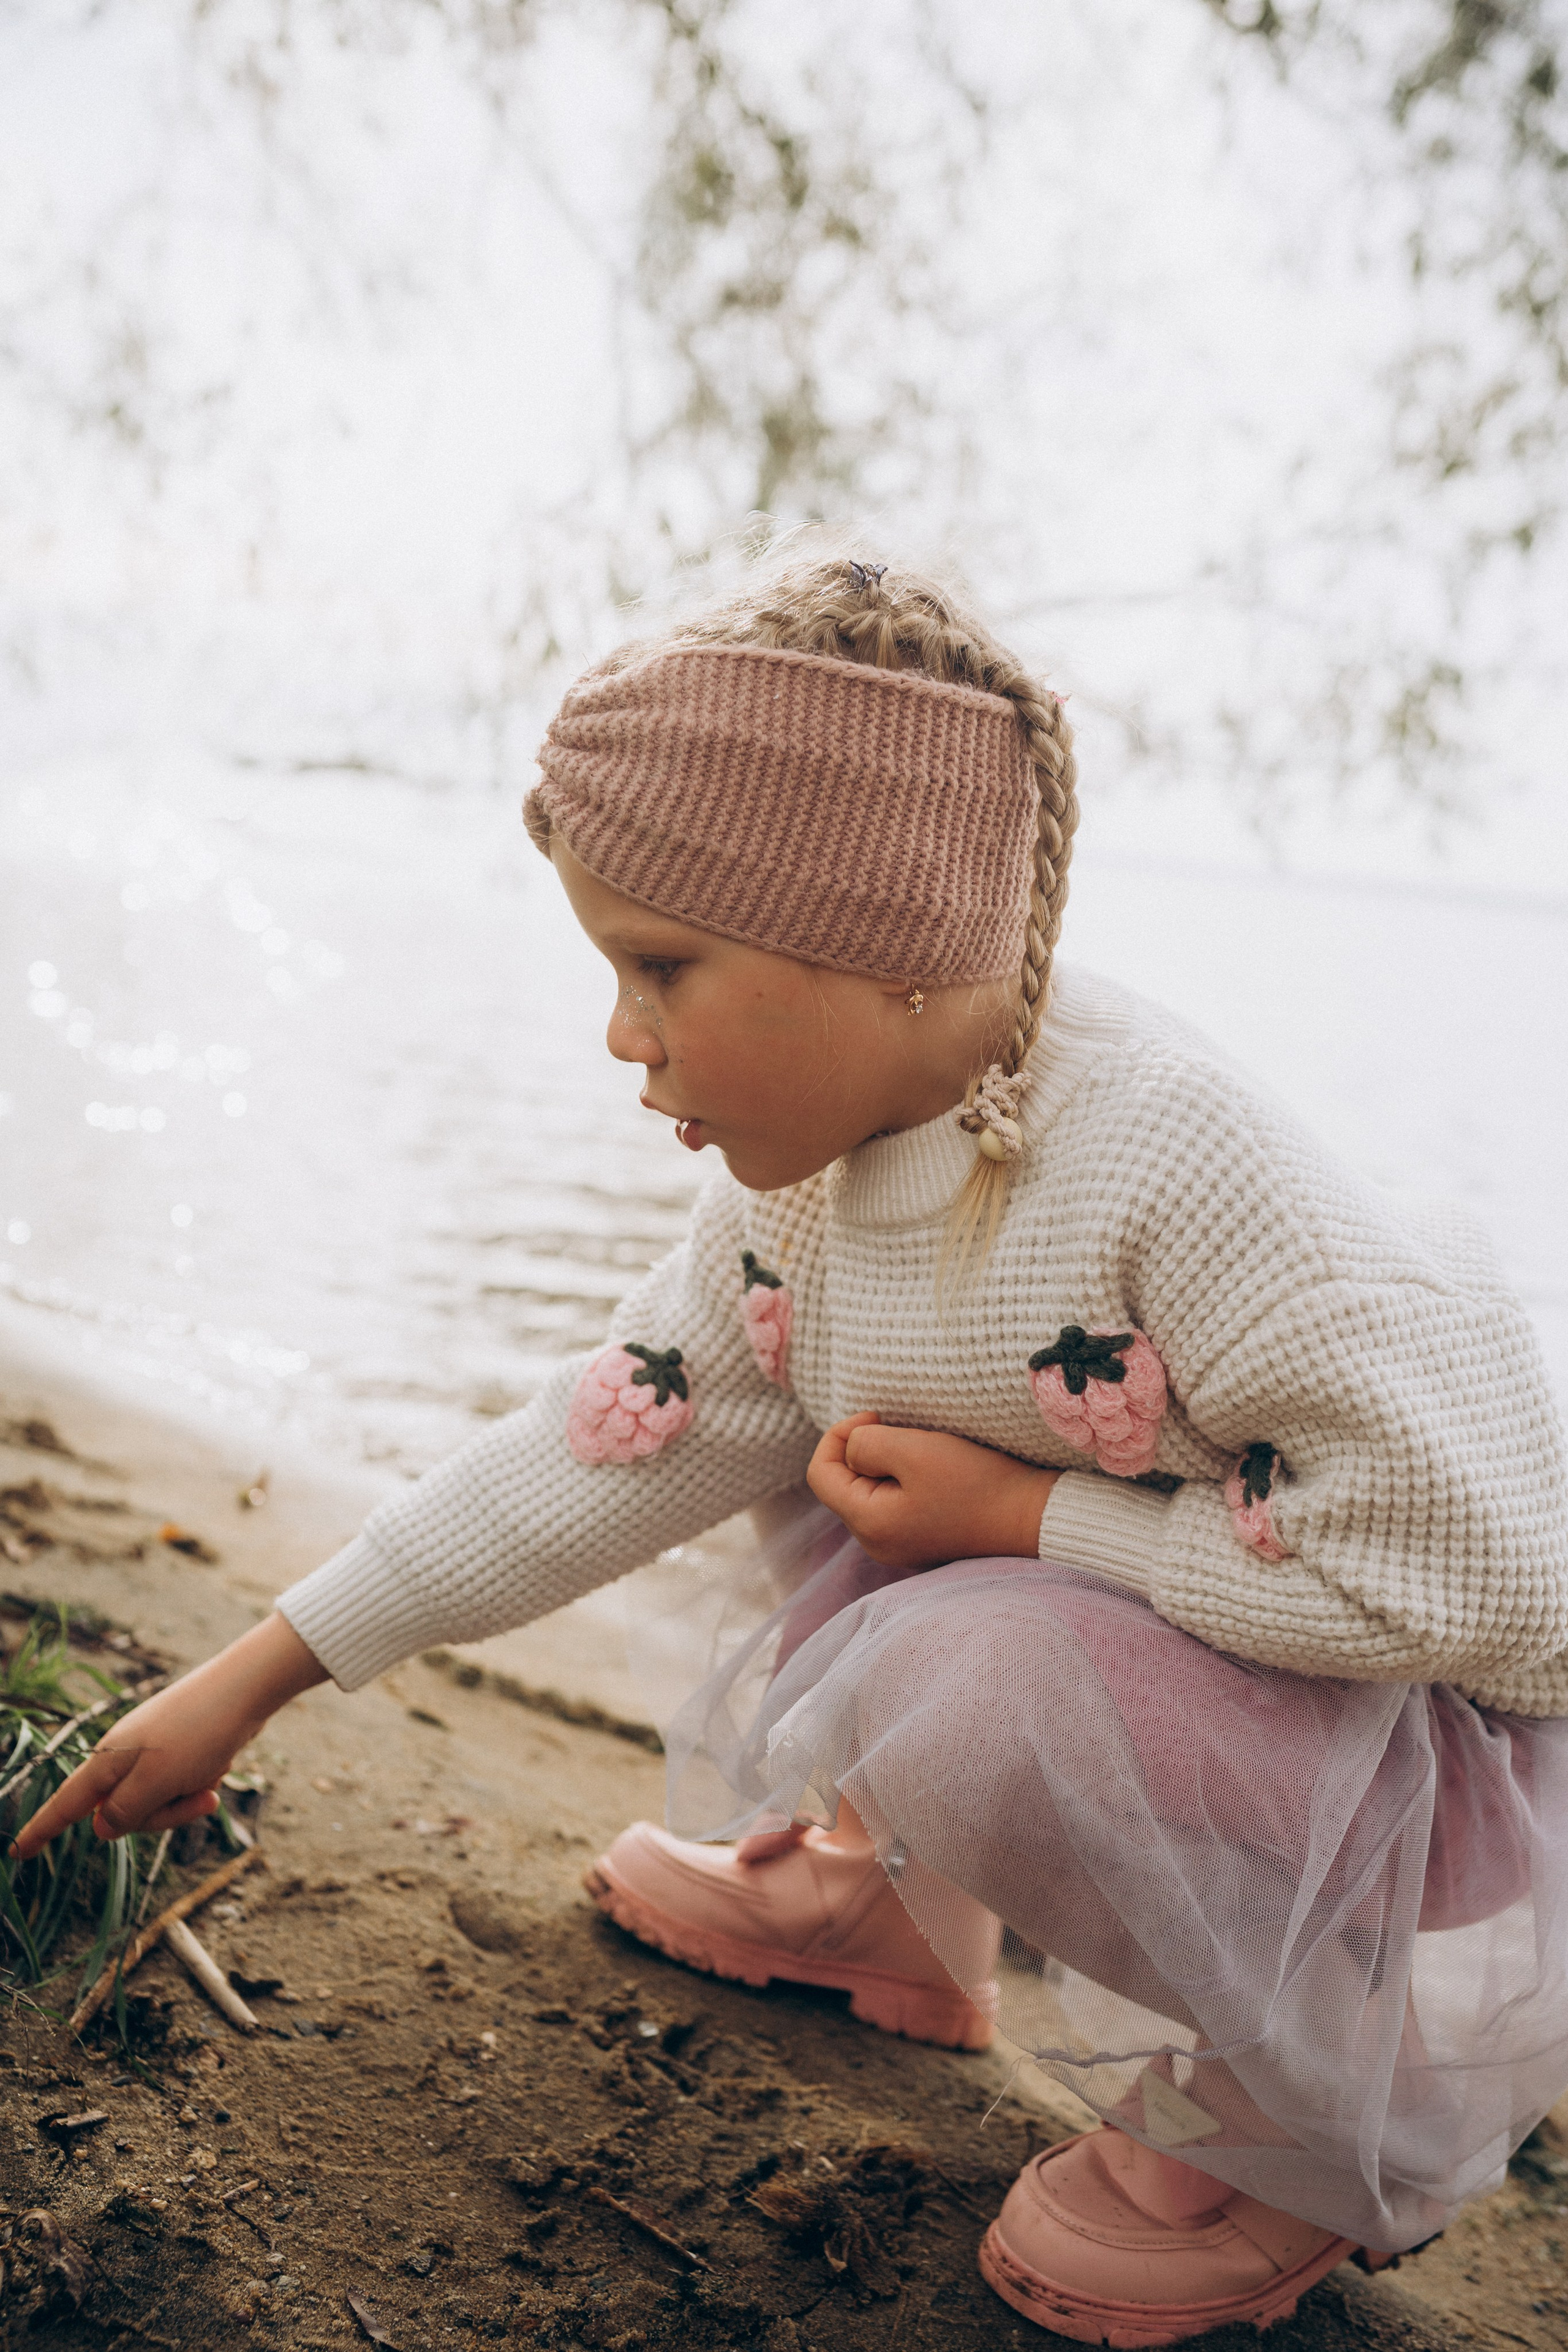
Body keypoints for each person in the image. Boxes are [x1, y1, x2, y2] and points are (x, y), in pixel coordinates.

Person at [15, 554, 1568, 2346]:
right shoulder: (809, 1201)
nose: (621, 1033)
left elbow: (1488, 1577)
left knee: (968, 1644)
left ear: (887, 945)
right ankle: (888, 1904)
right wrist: (265, 1670)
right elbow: (609, 1446)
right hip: (1188, 1657)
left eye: (660, 965)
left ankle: (1294, 2124)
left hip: (1406, 1762)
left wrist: (1036, 1512)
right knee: (790, 1425)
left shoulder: (1184, 1168)